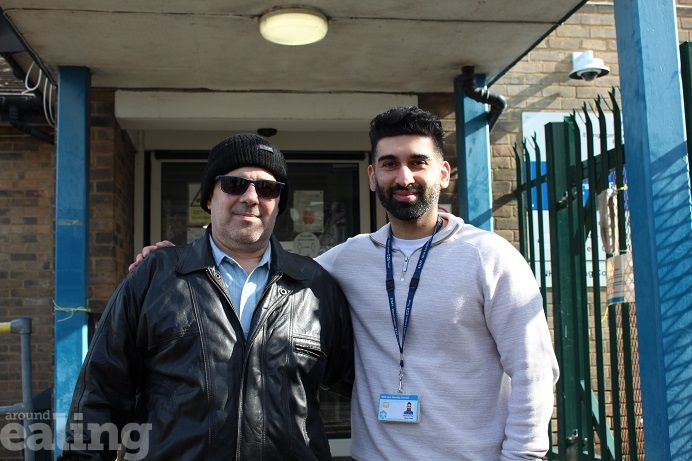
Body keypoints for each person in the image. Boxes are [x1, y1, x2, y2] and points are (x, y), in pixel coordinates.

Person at [133, 107, 560, 460]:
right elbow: (270, 270)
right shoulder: (347, 259)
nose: (404, 177)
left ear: (444, 173)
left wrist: (522, 456)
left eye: (418, 162)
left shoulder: (490, 257)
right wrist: (176, 260)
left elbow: (534, 371)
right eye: (390, 164)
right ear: (372, 176)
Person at [60, 134, 353, 461]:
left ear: (279, 204)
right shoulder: (155, 277)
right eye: (235, 184)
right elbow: (100, 396)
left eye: (267, 188)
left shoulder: (314, 286)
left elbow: (364, 381)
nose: (252, 197)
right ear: (209, 198)